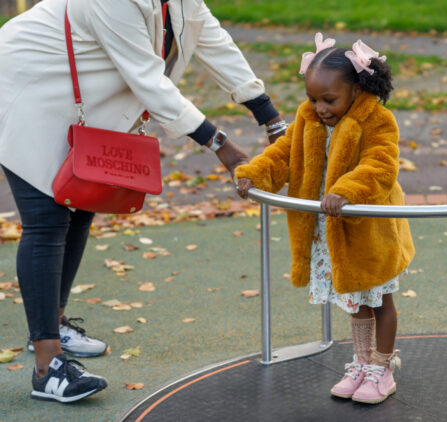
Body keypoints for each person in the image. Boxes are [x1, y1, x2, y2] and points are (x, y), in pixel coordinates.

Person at [0, 0, 286, 403]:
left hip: (77, 97)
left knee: (81, 204)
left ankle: (53, 322)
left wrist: (271, 117)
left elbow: (215, 43)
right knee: (46, 220)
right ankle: (48, 367)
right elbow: (149, 81)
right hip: (25, 84)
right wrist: (222, 146)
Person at [235, 33, 415, 405]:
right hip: (329, 228)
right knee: (354, 299)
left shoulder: (377, 119)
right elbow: (283, 153)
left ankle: (383, 368)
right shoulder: (307, 119)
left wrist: (347, 190)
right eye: (312, 98)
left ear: (355, 89)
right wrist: (256, 173)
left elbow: (380, 165)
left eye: (329, 99)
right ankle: (362, 362)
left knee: (379, 300)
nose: (319, 107)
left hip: (368, 229)